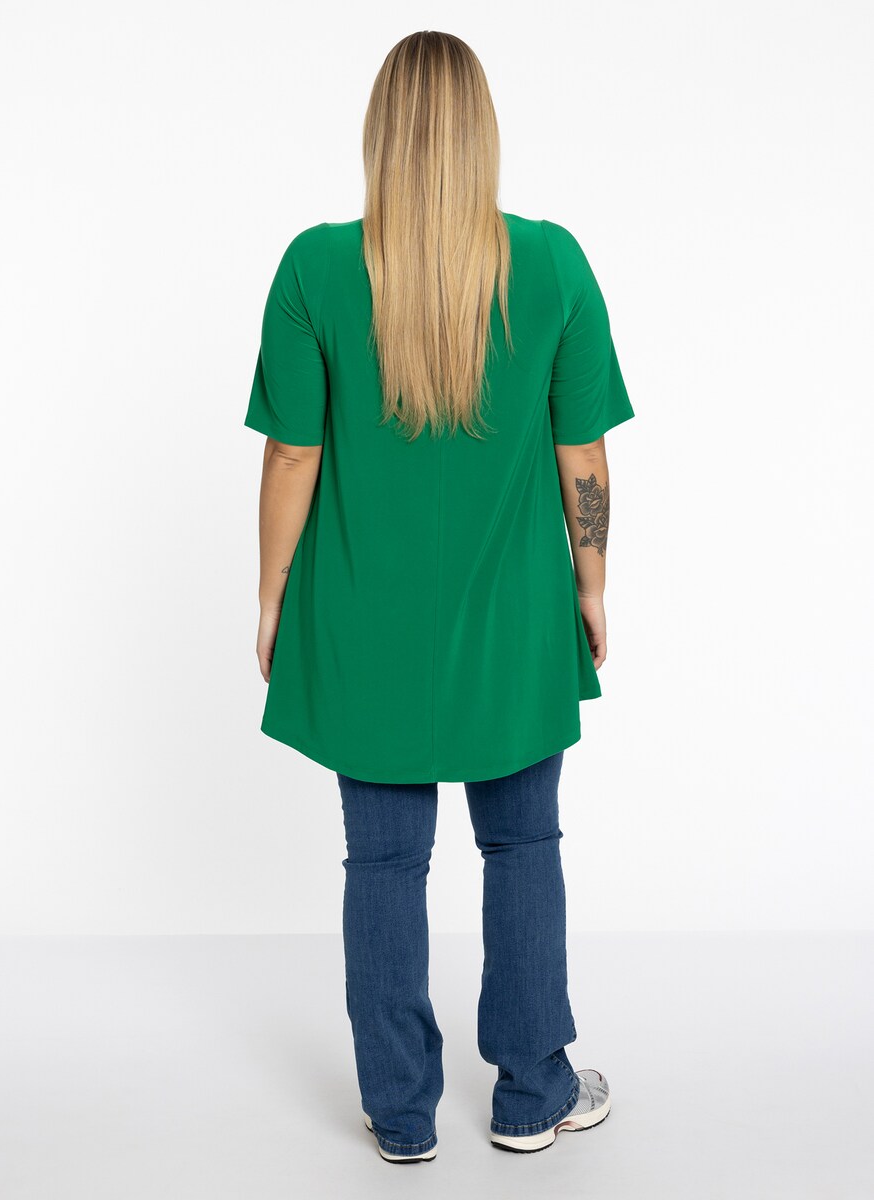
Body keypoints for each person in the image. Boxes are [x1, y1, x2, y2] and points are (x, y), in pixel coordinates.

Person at [244, 30, 634, 1163]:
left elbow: (292, 454)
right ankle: (532, 1092)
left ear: (382, 136)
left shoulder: (317, 269)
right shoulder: (551, 265)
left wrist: (271, 593)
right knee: (523, 844)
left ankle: (403, 1111)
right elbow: (582, 455)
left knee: (383, 863)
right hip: (513, 621)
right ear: (482, 137)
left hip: (364, 623)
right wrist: (593, 584)